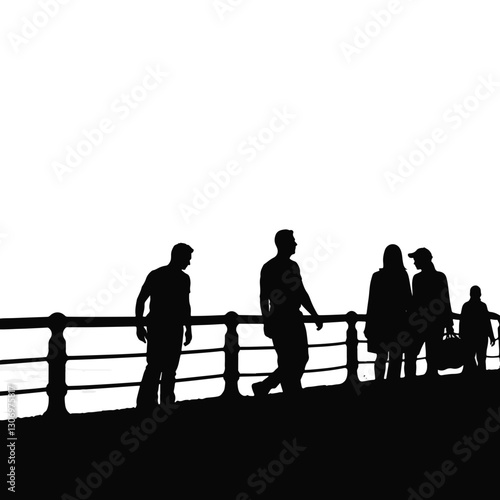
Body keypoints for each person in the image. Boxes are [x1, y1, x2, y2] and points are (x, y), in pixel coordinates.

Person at [252, 230, 323, 397]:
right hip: (290, 318)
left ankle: (271, 387)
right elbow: (301, 294)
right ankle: (284, 391)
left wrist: (267, 320)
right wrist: (314, 315)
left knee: (289, 360)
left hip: (280, 319)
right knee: (297, 358)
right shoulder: (290, 266)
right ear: (284, 244)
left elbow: (264, 298)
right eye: (292, 240)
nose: (295, 244)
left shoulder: (269, 267)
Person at [135, 243, 193, 409]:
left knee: (154, 366)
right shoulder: (183, 279)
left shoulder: (156, 275)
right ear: (179, 257)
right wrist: (188, 329)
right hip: (174, 327)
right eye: (187, 258)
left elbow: (141, 300)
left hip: (158, 326)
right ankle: (165, 404)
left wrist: (139, 324)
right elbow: (185, 306)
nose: (189, 263)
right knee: (169, 369)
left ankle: (146, 404)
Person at [364, 244, 412, 382]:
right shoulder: (402, 276)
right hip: (399, 323)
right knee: (396, 358)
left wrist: (368, 326)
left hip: (380, 324)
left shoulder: (377, 277)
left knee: (380, 356)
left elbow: (372, 304)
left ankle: (379, 385)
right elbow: (408, 301)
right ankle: (393, 386)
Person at [405, 248, 454, 378]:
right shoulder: (440, 277)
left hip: (420, 322)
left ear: (423, 260)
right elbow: (446, 301)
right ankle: (431, 380)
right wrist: (449, 324)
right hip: (436, 322)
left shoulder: (417, 279)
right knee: (432, 353)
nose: (414, 262)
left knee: (411, 353)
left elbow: (414, 303)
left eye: (416, 259)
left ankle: (410, 382)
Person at [459, 286, 496, 374]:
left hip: (469, 337)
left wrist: (462, 335)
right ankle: (481, 378)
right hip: (482, 336)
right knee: (481, 358)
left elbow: (462, 322)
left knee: (470, 357)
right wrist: (491, 336)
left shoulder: (466, 306)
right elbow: (487, 322)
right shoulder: (482, 306)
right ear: (480, 294)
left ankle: (472, 378)